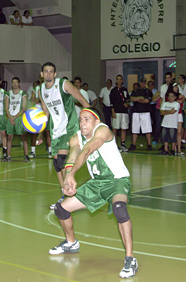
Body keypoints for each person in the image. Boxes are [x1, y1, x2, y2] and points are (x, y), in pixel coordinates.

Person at [48, 107, 137, 279]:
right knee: (61, 209)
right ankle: (71, 243)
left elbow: (87, 150)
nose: (82, 123)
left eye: (87, 119)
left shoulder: (102, 130)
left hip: (117, 181)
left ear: (96, 121)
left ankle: (130, 259)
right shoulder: (76, 137)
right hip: (96, 184)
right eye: (81, 119)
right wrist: (68, 177)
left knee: (120, 209)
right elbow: (73, 154)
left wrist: (73, 174)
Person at [38, 62, 90, 209]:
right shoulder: (40, 90)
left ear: (55, 74)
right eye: (45, 71)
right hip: (55, 131)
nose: (48, 74)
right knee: (56, 164)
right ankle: (64, 196)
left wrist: (93, 119)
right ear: (41, 74)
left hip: (70, 127)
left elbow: (81, 99)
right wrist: (41, 133)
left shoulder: (63, 84)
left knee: (61, 161)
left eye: (51, 71)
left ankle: (70, 195)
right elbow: (45, 113)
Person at [5, 77, 29, 161]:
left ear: (19, 84)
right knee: (9, 137)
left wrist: (14, 117)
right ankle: (8, 156)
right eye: (13, 82)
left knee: (23, 137)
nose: (14, 84)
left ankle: (26, 155)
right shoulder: (8, 94)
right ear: (11, 84)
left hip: (19, 118)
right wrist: (10, 117)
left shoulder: (23, 94)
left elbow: (23, 108)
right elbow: (6, 107)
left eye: (16, 82)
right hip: (10, 117)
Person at [129, 78, 153, 151]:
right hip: (136, 112)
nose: (143, 84)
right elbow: (132, 98)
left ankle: (149, 145)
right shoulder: (135, 91)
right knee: (135, 129)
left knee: (147, 129)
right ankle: (133, 144)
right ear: (140, 83)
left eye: (144, 83)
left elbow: (146, 101)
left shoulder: (148, 91)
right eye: (142, 82)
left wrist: (138, 100)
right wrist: (140, 98)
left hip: (145, 112)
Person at [110, 75, 129, 152]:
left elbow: (128, 99)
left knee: (123, 128)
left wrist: (127, 103)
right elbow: (111, 102)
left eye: (120, 79)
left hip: (124, 112)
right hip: (116, 112)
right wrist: (113, 112)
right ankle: (114, 145)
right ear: (116, 81)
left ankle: (123, 144)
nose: (119, 81)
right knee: (115, 128)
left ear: (122, 81)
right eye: (118, 79)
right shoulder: (113, 90)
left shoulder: (125, 89)